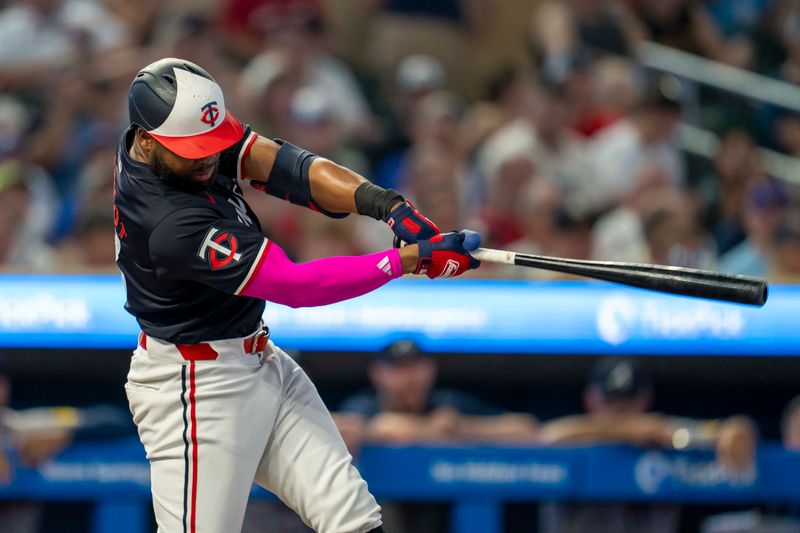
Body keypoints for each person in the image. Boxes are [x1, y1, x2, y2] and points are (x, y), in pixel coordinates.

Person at [114, 58, 481, 533]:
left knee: (354, 521)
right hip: (195, 389)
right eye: (193, 150)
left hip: (258, 359)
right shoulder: (168, 222)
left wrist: (388, 206)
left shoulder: (172, 145)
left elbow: (283, 165)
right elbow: (295, 285)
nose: (208, 157)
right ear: (146, 139)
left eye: (210, 144)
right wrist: (405, 261)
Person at [335, 340, 538, 533]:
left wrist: (463, 428)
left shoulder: (445, 404)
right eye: (398, 369)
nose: (410, 377)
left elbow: (525, 427)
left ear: (431, 370)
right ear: (377, 374)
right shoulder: (364, 405)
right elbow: (363, 426)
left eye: (416, 367)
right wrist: (425, 429)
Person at [537, 357, 758, 533]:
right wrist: (629, 430)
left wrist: (735, 429)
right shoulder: (572, 436)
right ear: (590, 399)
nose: (620, 411)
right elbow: (548, 436)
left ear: (644, 398)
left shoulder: (661, 433)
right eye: (611, 402)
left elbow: (725, 429)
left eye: (628, 402)